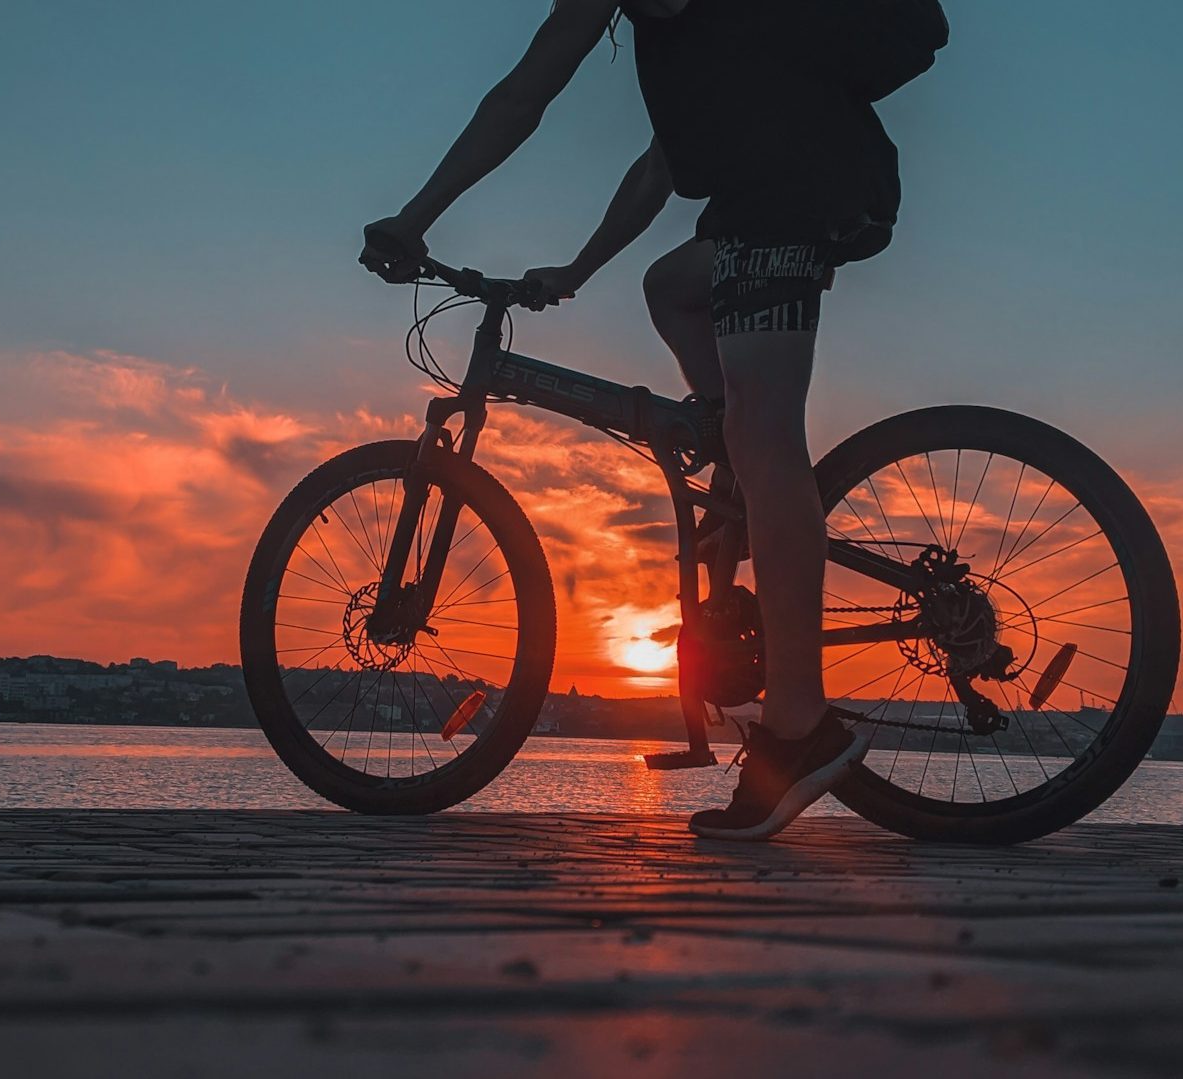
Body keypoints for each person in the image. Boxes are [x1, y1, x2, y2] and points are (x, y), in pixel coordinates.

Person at [360, 0, 921, 840]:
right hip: (779, 188)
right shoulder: (700, 41)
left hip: (789, 195)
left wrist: (416, 216)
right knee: (672, 289)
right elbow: (664, 163)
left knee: (769, 441)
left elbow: (522, 97)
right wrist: (580, 267)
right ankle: (735, 476)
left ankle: (802, 726)